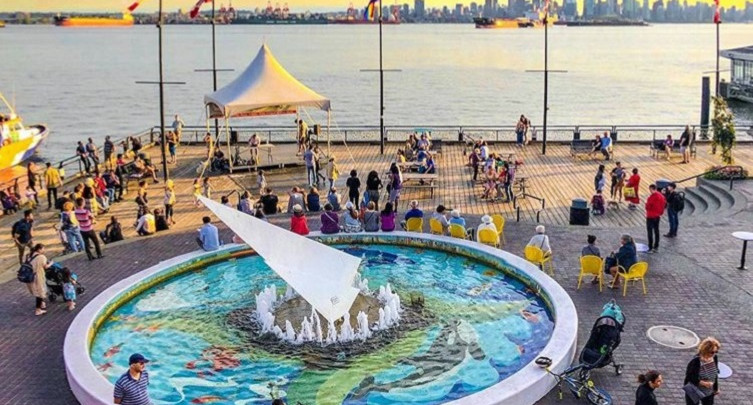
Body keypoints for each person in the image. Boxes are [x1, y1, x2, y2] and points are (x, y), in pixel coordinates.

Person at [684, 337, 720, 405]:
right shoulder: (696, 361)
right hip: (694, 390)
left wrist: (715, 388)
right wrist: (703, 383)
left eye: (716, 351)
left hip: (708, 390)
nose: (714, 354)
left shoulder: (714, 358)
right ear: (705, 350)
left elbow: (715, 374)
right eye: (712, 352)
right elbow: (690, 377)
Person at [25, 243, 52, 316]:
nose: (44, 250)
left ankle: (42, 303)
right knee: (40, 293)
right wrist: (51, 264)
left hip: (30, 277)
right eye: (43, 249)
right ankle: (38, 310)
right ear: (39, 249)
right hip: (38, 277)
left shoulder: (29, 255)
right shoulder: (41, 257)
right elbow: (45, 266)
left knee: (37, 291)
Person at [645, 184, 666, 253]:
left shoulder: (652, 197)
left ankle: (650, 247)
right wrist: (660, 213)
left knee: (650, 232)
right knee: (656, 231)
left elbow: (648, 207)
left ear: (651, 189)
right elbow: (664, 205)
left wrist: (646, 205)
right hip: (657, 216)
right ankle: (656, 246)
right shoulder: (661, 196)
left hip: (650, 216)